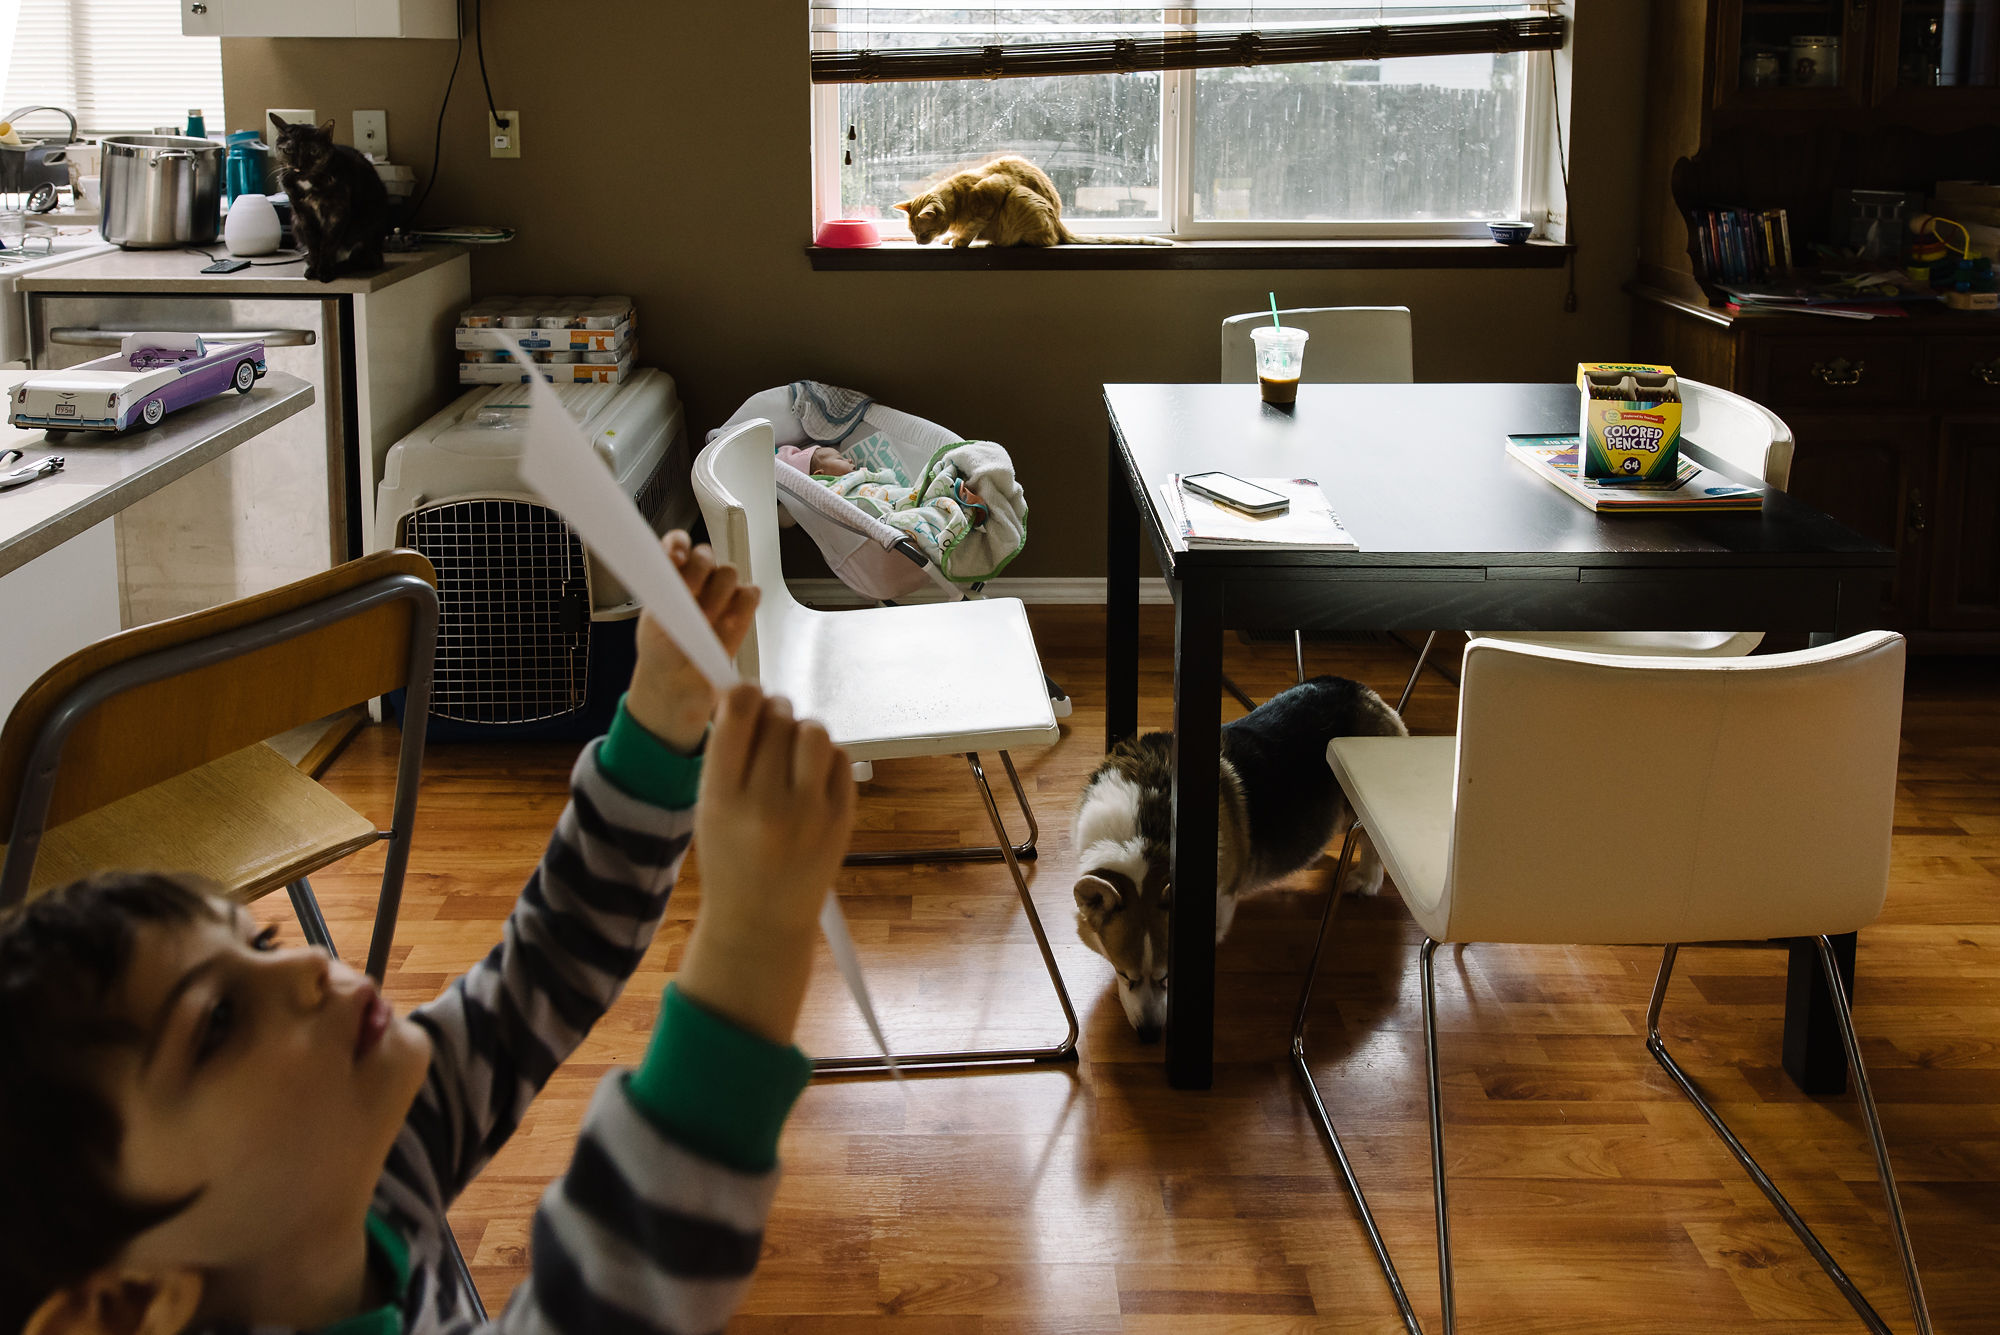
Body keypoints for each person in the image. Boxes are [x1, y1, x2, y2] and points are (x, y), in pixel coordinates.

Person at [0, 533, 854, 1335]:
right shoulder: (344, 1152)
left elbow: (547, 966)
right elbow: (627, 1280)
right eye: (216, 1022)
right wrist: (753, 940)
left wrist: (662, 713)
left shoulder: (358, 1167)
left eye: (258, 943)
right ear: (121, 1308)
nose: (304, 966)